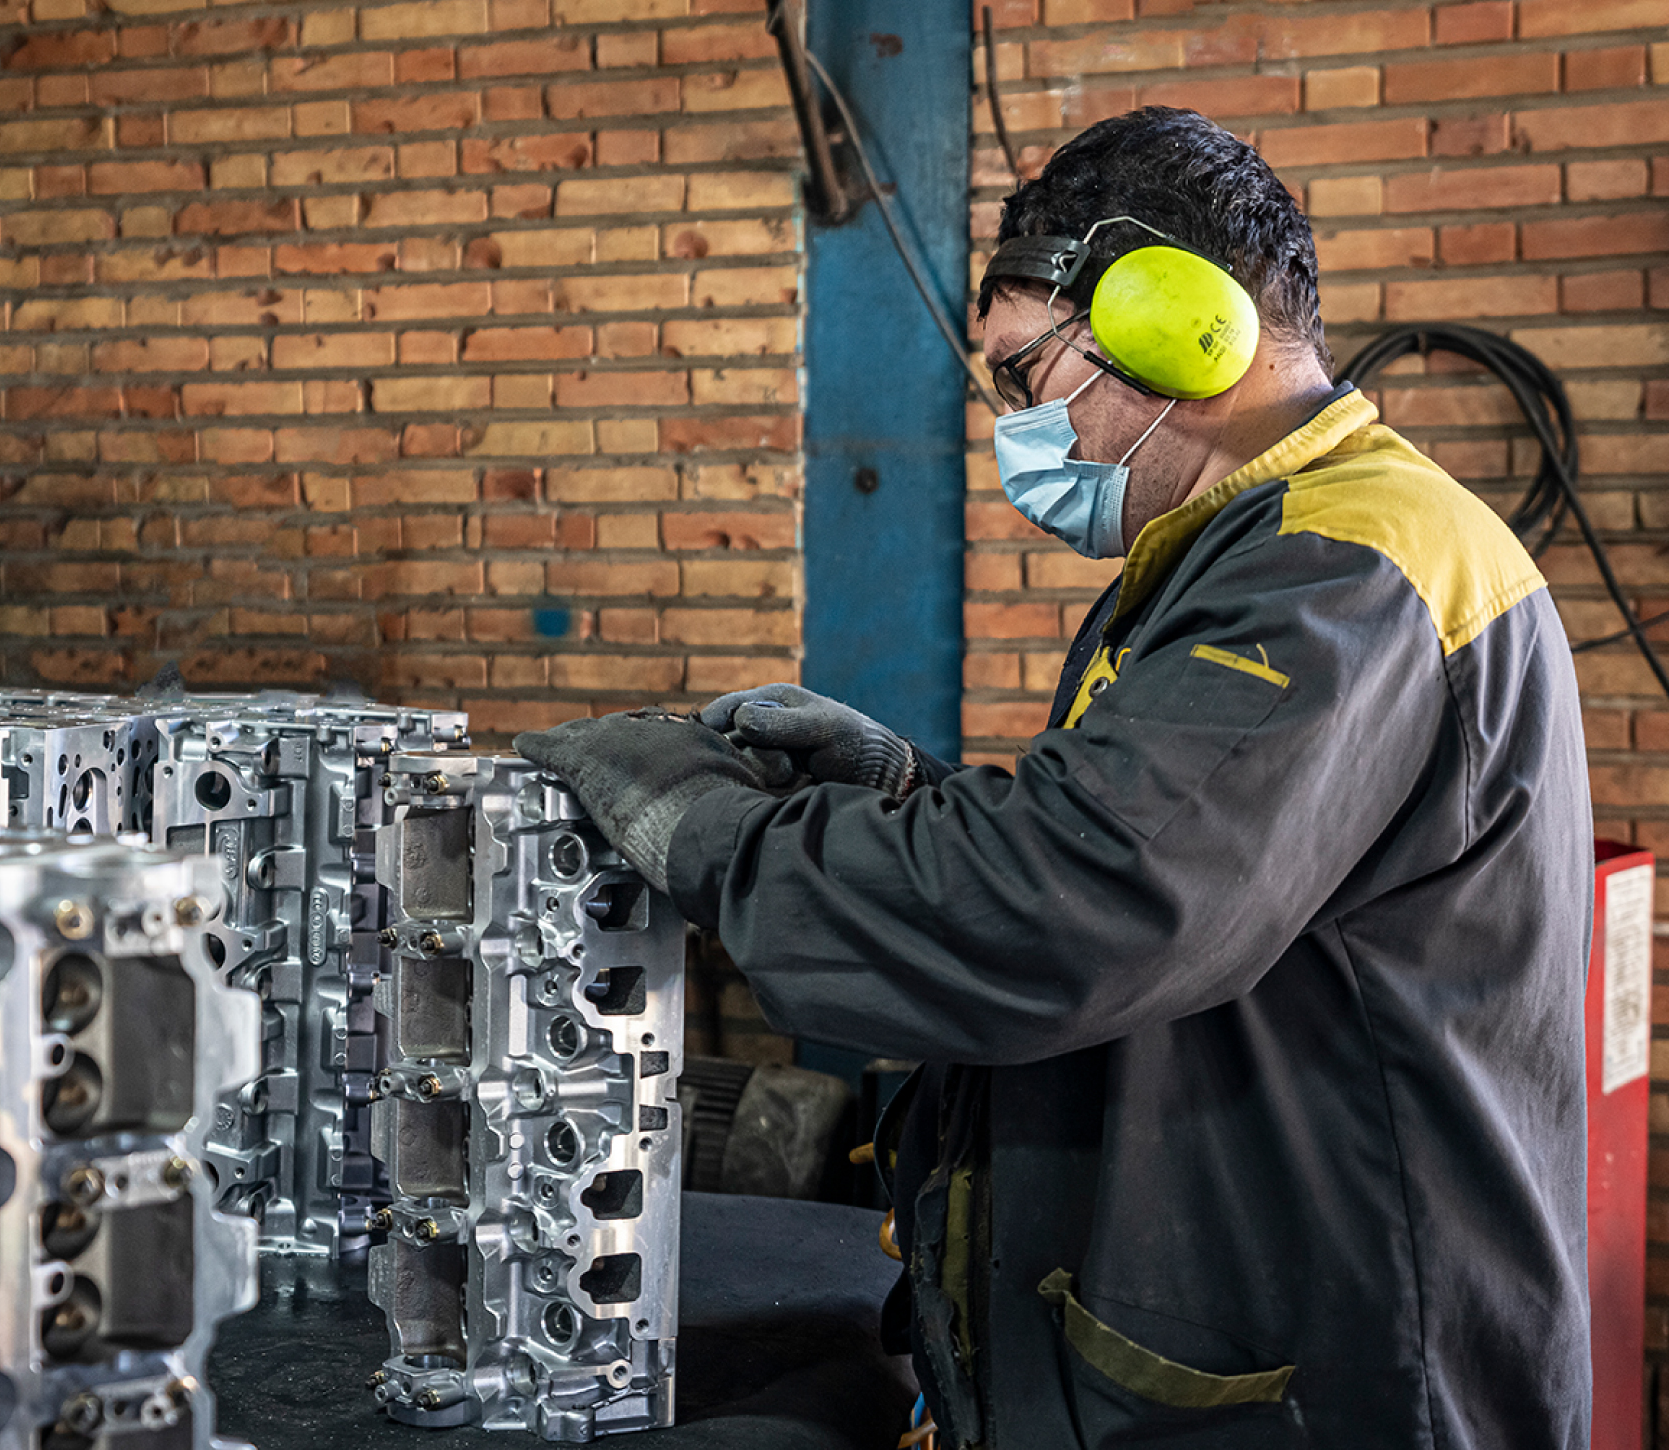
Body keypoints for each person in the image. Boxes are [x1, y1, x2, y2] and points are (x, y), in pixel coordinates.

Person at [518, 107, 1592, 1448]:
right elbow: (1162, 841)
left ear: (1179, 330)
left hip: (1328, 1386)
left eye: (1026, 375)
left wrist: (708, 830)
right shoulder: (1246, 551)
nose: (1020, 429)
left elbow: (1073, 906)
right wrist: (907, 795)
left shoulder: (1342, 574)